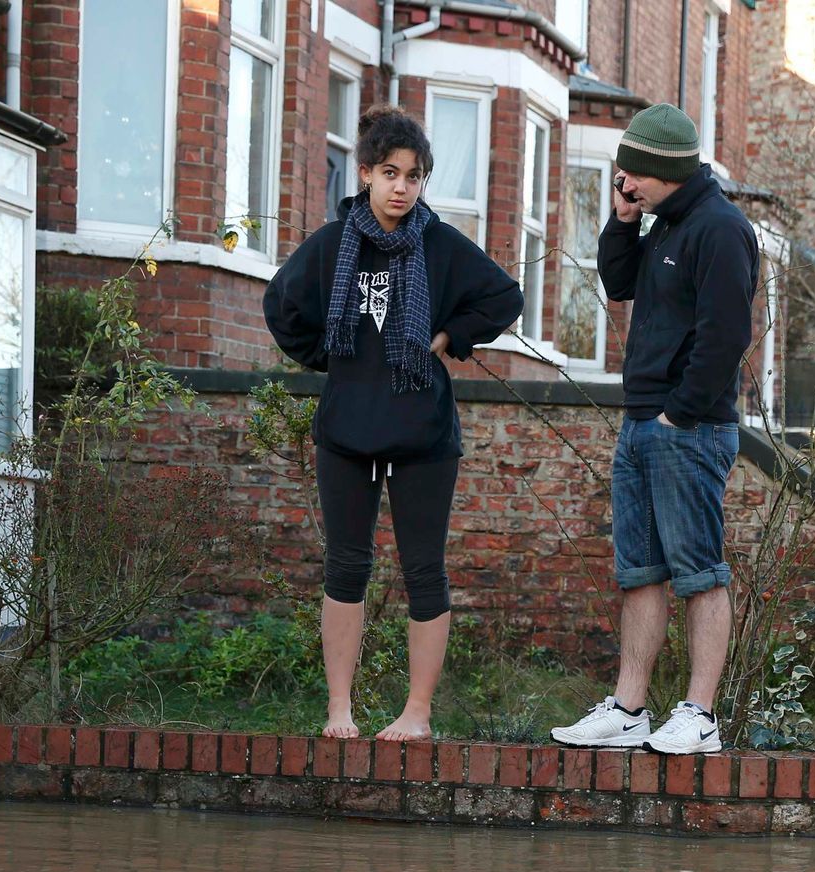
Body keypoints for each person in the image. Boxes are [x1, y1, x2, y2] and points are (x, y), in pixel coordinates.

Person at [263, 106, 523, 741]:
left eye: (414, 176)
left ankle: (417, 714)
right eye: (390, 173)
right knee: (345, 567)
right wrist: (333, 357)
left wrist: (446, 337)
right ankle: (339, 710)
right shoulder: (332, 245)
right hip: (347, 430)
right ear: (366, 174)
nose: (402, 187)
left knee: (423, 569)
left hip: (424, 435)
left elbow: (505, 297)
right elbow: (280, 305)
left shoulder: (440, 245)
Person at [551, 104, 759, 756]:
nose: (624, 181)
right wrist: (622, 220)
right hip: (640, 422)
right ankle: (630, 709)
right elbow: (617, 283)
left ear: (664, 171)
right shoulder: (664, 224)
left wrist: (680, 413)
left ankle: (699, 714)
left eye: (632, 174)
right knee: (639, 571)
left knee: (698, 571)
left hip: (687, 429)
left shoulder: (719, 229)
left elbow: (726, 336)